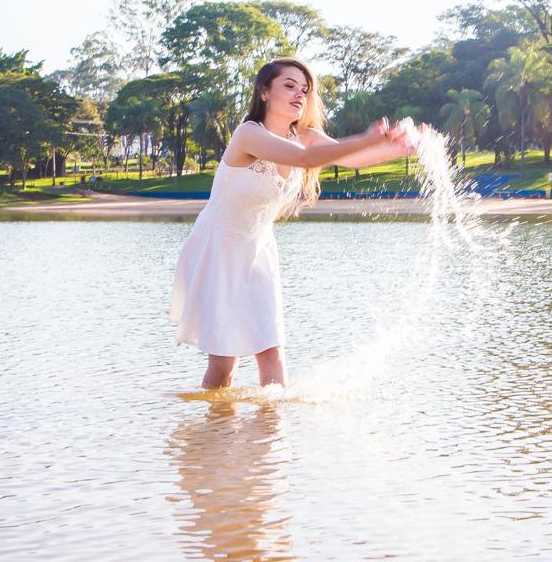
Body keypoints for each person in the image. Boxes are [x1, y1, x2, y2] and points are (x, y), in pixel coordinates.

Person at [169, 57, 415, 389]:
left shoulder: (306, 136)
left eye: (304, 89)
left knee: (271, 350)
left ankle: (274, 421)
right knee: (225, 363)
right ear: (264, 92)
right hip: (219, 246)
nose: (300, 95)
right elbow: (303, 159)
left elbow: (353, 157)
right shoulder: (248, 134)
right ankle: (215, 422)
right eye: (289, 86)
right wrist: (368, 137)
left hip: (259, 249)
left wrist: (399, 147)